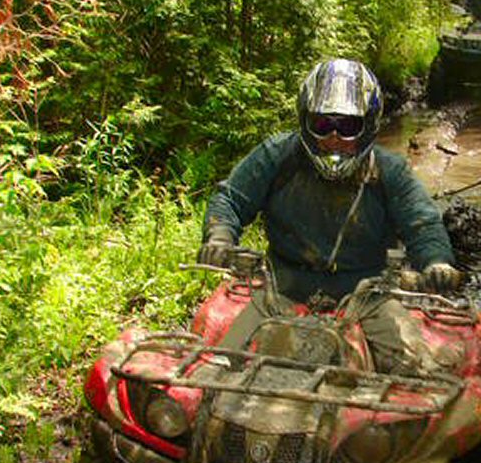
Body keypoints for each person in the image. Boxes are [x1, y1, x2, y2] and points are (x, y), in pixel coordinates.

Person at [197, 58, 463, 376]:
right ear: (305, 121)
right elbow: (231, 198)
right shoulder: (278, 156)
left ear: (368, 126)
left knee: (423, 378)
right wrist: (220, 236)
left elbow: (421, 221)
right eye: (323, 125)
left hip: (367, 296)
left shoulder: (389, 171)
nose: (334, 137)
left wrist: (436, 262)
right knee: (216, 371)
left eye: (348, 126)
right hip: (280, 290)